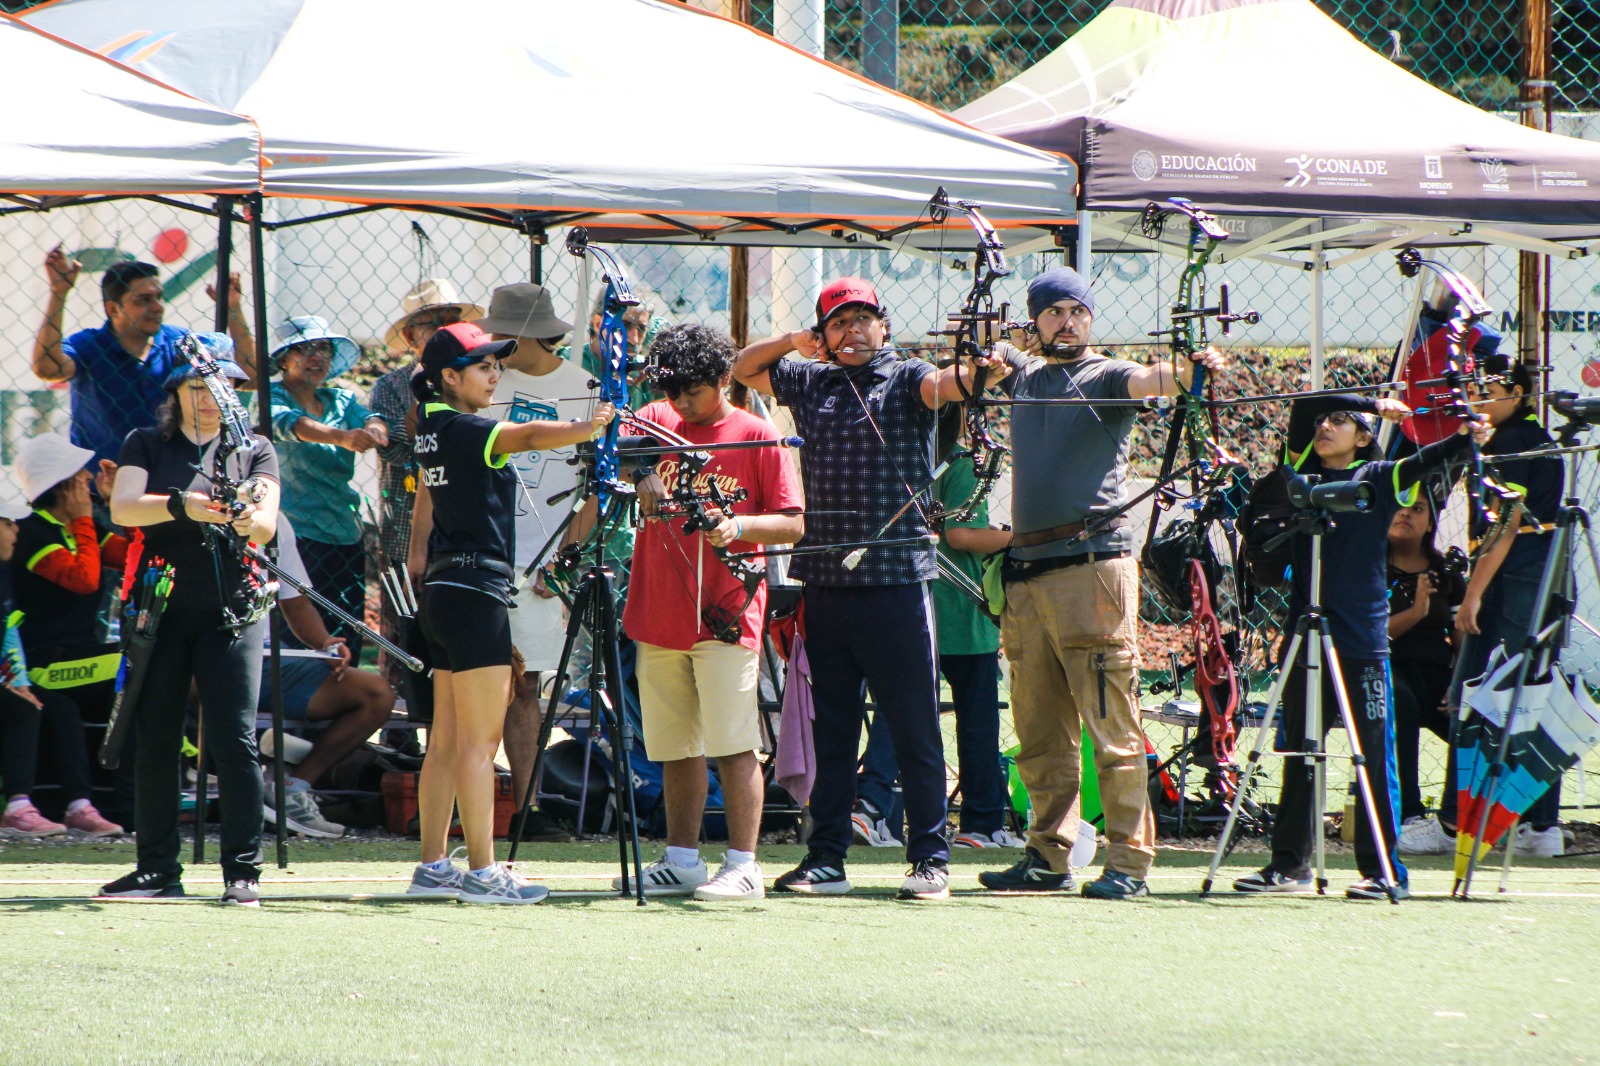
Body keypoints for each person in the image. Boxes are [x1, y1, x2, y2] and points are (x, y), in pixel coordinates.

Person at [732, 276, 989, 901]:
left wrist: (981, 367)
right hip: (824, 582)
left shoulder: (908, 377)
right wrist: (799, 341)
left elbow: (949, 385)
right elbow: (744, 366)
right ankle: (827, 860)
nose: (853, 332)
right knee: (834, 728)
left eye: (863, 320)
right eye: (839, 323)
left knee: (914, 724)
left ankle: (929, 858)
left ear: (884, 326)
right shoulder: (811, 379)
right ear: (825, 333)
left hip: (897, 583)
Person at [970, 267, 1221, 900]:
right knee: (1040, 731)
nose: (1067, 322)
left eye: (1076, 311)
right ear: (1036, 321)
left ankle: (1128, 863)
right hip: (1027, 575)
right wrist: (987, 353)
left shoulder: (1107, 375)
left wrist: (1190, 369)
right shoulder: (1023, 373)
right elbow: (984, 359)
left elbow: (1154, 379)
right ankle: (1048, 857)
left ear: (1089, 317)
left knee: (1111, 723)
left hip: (1093, 570)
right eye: (1053, 312)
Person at [1231, 394, 1489, 900]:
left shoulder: (1378, 477)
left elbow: (1427, 460)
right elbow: (1307, 409)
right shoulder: (1302, 473)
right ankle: (1290, 865)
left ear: (1366, 437)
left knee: (1373, 755)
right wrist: (1368, 401)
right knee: (1300, 751)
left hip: (1361, 644)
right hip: (1306, 637)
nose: (1325, 426)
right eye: (1324, 422)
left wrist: (1463, 437)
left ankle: (1384, 870)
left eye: (1341, 421)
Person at [403, 322, 614, 904]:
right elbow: (524, 437)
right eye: (483, 366)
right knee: (477, 742)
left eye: (497, 364)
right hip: (475, 590)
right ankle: (482, 872)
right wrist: (588, 425)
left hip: (447, 593)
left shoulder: (433, 427)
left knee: (445, 741)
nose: (495, 373)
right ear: (450, 377)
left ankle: (432, 867)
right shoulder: (470, 428)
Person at [617, 324, 803, 900]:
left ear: (724, 380)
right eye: (671, 391)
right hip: (658, 611)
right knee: (675, 744)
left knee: (731, 742)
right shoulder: (653, 418)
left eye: (692, 392)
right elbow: (614, 436)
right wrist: (639, 469)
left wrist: (738, 526)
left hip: (727, 611)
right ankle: (681, 859)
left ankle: (744, 864)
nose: (679, 403)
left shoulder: (756, 434)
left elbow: (794, 523)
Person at [100, 334, 279, 906]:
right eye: (196, 386)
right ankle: (156, 869)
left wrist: (248, 513)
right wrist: (183, 505)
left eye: (218, 386)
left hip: (232, 610)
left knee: (234, 738)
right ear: (175, 390)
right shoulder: (146, 442)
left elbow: (267, 523)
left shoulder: (254, 449)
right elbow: (124, 507)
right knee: (155, 739)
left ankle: (242, 872)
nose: (207, 397)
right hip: (161, 610)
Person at [1401, 356, 1567, 858]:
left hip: (1513, 581)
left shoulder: (1513, 442)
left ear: (1516, 392)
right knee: (1527, 696)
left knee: (1476, 696)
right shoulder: (1531, 437)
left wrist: (1472, 594)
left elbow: (1507, 521)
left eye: (1486, 386)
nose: (1473, 394)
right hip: (1542, 579)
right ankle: (1539, 827)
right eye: (1469, 385)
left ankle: (1456, 824)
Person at [8, 433, 130, 835]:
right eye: (80, 473)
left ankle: (94, 803)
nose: (89, 476)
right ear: (63, 485)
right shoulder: (30, 533)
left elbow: (136, 557)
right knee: (137, 662)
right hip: (45, 662)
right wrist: (82, 522)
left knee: (149, 659)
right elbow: (83, 578)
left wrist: (116, 504)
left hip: (83, 657)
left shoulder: (87, 524)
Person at [31, 251, 257, 466]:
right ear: (113, 309)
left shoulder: (179, 342)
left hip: (168, 487)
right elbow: (47, 369)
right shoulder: (88, 344)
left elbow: (250, 376)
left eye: (159, 297)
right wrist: (58, 293)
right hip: (100, 491)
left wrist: (233, 309)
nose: (157, 307)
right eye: (144, 300)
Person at [369, 280, 483, 695]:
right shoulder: (391, 386)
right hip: (406, 526)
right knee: (403, 626)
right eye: (431, 322)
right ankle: (402, 731)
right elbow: (399, 450)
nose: (442, 328)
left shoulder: (474, 377)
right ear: (410, 335)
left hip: (464, 528)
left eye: (450, 321)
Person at [259, 516, 397, 839]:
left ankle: (290, 788)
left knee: (376, 694)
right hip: (210, 657)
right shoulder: (189, 510)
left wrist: (323, 643)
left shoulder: (273, 522)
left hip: (265, 660)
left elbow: (293, 600)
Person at [267, 316, 388, 662]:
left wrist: (375, 429)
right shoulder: (271, 396)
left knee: (345, 627)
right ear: (283, 359)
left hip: (344, 531)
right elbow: (289, 425)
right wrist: (342, 437)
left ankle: (342, 693)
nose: (316, 356)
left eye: (323, 348)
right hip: (296, 532)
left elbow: (371, 416)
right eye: (304, 348)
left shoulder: (341, 400)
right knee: (298, 634)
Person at [1384, 495, 1465, 830]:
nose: (1405, 513)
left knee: (1473, 711)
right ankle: (1409, 815)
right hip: (1387, 668)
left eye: (1417, 509)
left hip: (1435, 673)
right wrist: (1417, 610)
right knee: (1398, 701)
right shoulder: (1371, 569)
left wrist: (1458, 682)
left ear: (1431, 522)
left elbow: (1462, 638)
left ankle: (1456, 817)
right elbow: (1373, 635)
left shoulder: (1444, 573)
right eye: (1399, 506)